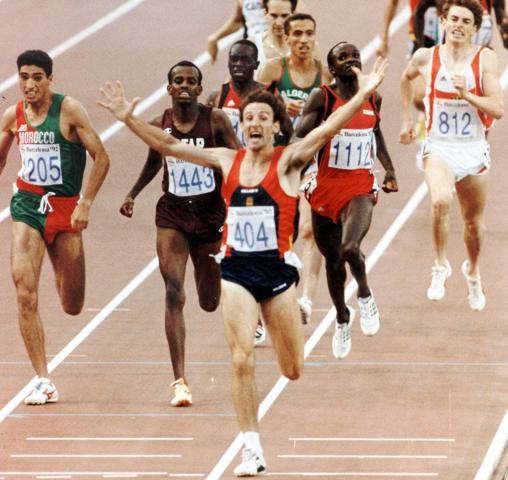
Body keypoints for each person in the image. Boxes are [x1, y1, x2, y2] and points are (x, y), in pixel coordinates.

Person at [98, 56, 387, 477]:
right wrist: (128, 119)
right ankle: (251, 446)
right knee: (241, 360)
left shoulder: (289, 160)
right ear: (243, 124)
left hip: (277, 275)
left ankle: (284, 352)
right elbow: (168, 147)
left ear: (273, 127)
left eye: (261, 118)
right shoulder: (226, 160)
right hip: (236, 271)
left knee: (293, 369)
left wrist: (361, 94)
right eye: (248, 117)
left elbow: (328, 128)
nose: (253, 123)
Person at [119, 61, 240, 406]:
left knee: (209, 300)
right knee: (174, 291)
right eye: (178, 81)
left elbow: (237, 160)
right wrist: (132, 193)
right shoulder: (162, 124)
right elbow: (155, 161)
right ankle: (180, 381)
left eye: (191, 81)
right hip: (172, 212)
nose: (184, 85)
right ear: (169, 88)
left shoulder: (215, 120)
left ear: (200, 89)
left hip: (209, 214)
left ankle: (217, 282)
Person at [0, 49, 110, 404]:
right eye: (23, 77)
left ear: (50, 79)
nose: (29, 84)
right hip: (28, 207)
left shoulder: (69, 110)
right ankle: (42, 379)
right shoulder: (12, 116)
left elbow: (102, 157)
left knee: (72, 304)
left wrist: (86, 202)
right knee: (24, 292)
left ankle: (59, 269)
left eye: (36, 77)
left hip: (65, 211)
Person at [295, 42, 398, 358]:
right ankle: (342, 316)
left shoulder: (373, 97)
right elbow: (300, 134)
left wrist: (390, 169)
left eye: (355, 54)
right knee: (334, 261)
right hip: (326, 187)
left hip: (359, 186)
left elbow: (375, 132)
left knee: (350, 247)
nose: (351, 59)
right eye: (343, 56)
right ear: (332, 68)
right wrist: (325, 128)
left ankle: (365, 295)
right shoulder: (322, 97)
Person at [400, 0, 504, 311]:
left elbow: (498, 109)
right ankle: (440, 265)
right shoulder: (425, 56)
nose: (458, 25)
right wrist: (407, 119)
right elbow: (405, 79)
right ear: (443, 22)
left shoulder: (485, 59)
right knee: (441, 201)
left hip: (472, 148)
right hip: (439, 146)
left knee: (473, 225)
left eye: (465, 21)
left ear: (475, 28)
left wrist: (468, 95)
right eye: (453, 19)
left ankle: (472, 271)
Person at [208, 39, 293, 346]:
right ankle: (250, 309)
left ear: (256, 65)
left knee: (263, 244)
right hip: (230, 180)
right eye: (234, 60)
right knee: (233, 243)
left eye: (246, 61)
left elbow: (289, 134)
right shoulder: (217, 97)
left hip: (265, 180)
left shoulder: (268, 96)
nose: (239, 66)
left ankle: (263, 309)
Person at [258, 13, 332, 324]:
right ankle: (264, 305)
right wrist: (277, 106)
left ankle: (306, 300)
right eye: (297, 34)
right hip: (276, 161)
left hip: (310, 161)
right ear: (286, 39)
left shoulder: (325, 76)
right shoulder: (274, 70)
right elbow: (252, 109)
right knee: (273, 235)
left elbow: (338, 114)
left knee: (308, 230)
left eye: (308, 33)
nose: (303, 40)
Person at [207, 0, 311, 64]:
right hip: (252, 49)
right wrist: (215, 37)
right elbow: (238, 21)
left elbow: (305, 20)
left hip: (277, 47)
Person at [414, 0, 508, 48]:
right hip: (447, 34)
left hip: (480, 28)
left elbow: (501, 13)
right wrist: (420, 44)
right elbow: (418, 12)